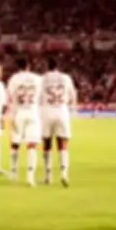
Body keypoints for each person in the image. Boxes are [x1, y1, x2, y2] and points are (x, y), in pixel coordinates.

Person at [40, 57, 77, 187]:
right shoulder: (66, 78)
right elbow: (73, 96)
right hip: (62, 111)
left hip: (46, 112)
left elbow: (38, 98)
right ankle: (64, 174)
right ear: (58, 67)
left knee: (47, 144)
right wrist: (71, 109)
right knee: (63, 144)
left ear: (47, 66)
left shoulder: (42, 79)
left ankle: (47, 176)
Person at [6, 58, 43, 186]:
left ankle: (13, 173)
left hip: (18, 113)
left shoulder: (13, 79)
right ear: (29, 65)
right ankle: (30, 177)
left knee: (15, 144)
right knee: (31, 145)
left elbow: (9, 97)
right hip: (33, 113)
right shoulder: (38, 78)